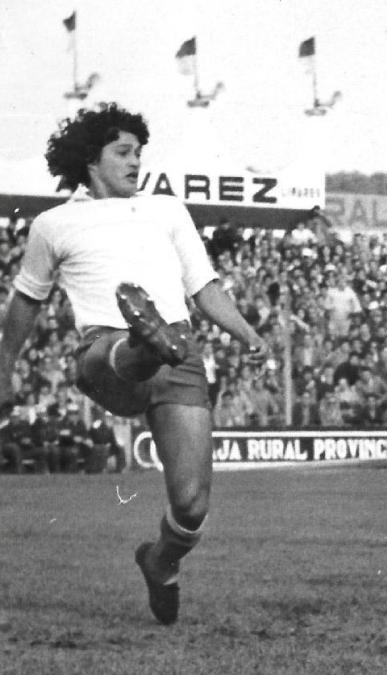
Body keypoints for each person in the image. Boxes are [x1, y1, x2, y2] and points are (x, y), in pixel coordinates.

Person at [0, 102, 267, 625]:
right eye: (122, 152)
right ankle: (145, 339)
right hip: (104, 351)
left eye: (139, 152)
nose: (135, 161)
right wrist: (4, 366)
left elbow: (203, 286)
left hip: (180, 352)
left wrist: (247, 331)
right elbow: (26, 300)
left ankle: (160, 563)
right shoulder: (54, 225)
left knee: (191, 505)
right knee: (122, 350)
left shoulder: (166, 210)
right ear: (90, 161)